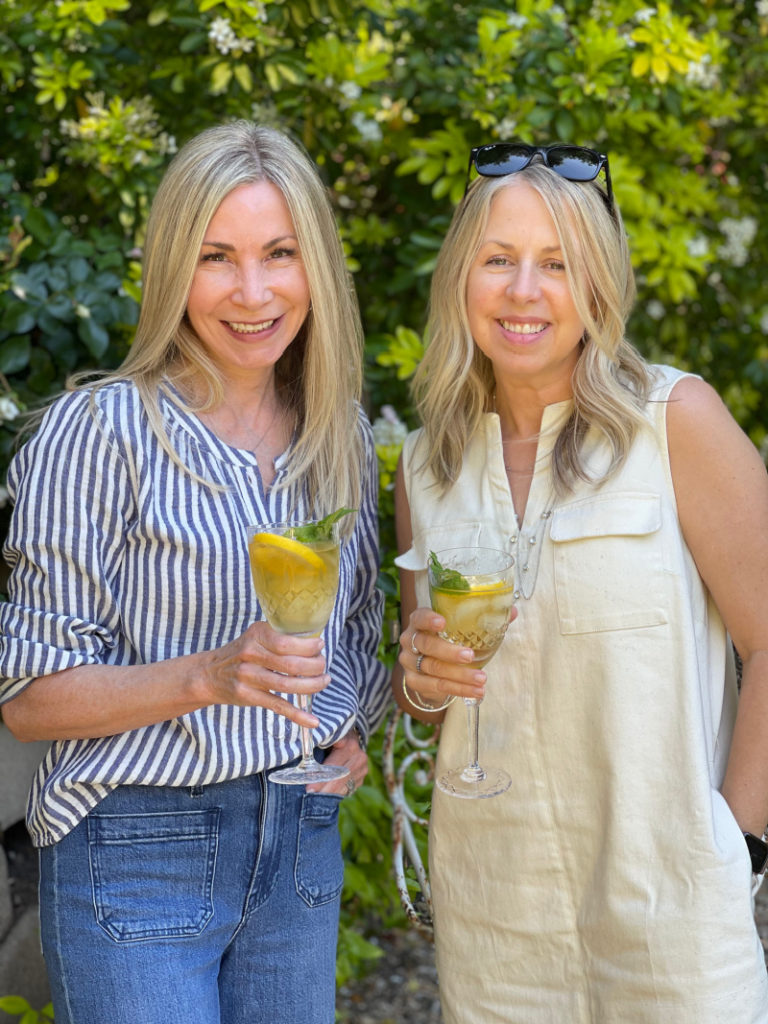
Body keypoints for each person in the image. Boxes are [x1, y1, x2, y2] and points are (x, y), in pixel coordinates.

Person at [0, 120, 389, 1024]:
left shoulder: (340, 440)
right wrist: (210, 676)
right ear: (175, 266)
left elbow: (356, 633)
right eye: (217, 256)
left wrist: (349, 728)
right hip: (139, 843)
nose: (252, 292)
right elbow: (28, 698)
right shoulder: (99, 435)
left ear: (316, 269)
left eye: (280, 254)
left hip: (299, 843)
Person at [393, 142, 768, 1022]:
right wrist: (417, 674)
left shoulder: (675, 421)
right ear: (461, 279)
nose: (525, 291)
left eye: (557, 264)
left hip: (671, 923)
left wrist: (739, 848)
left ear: (597, 284)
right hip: (495, 920)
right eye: (499, 260)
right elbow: (431, 695)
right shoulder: (426, 467)